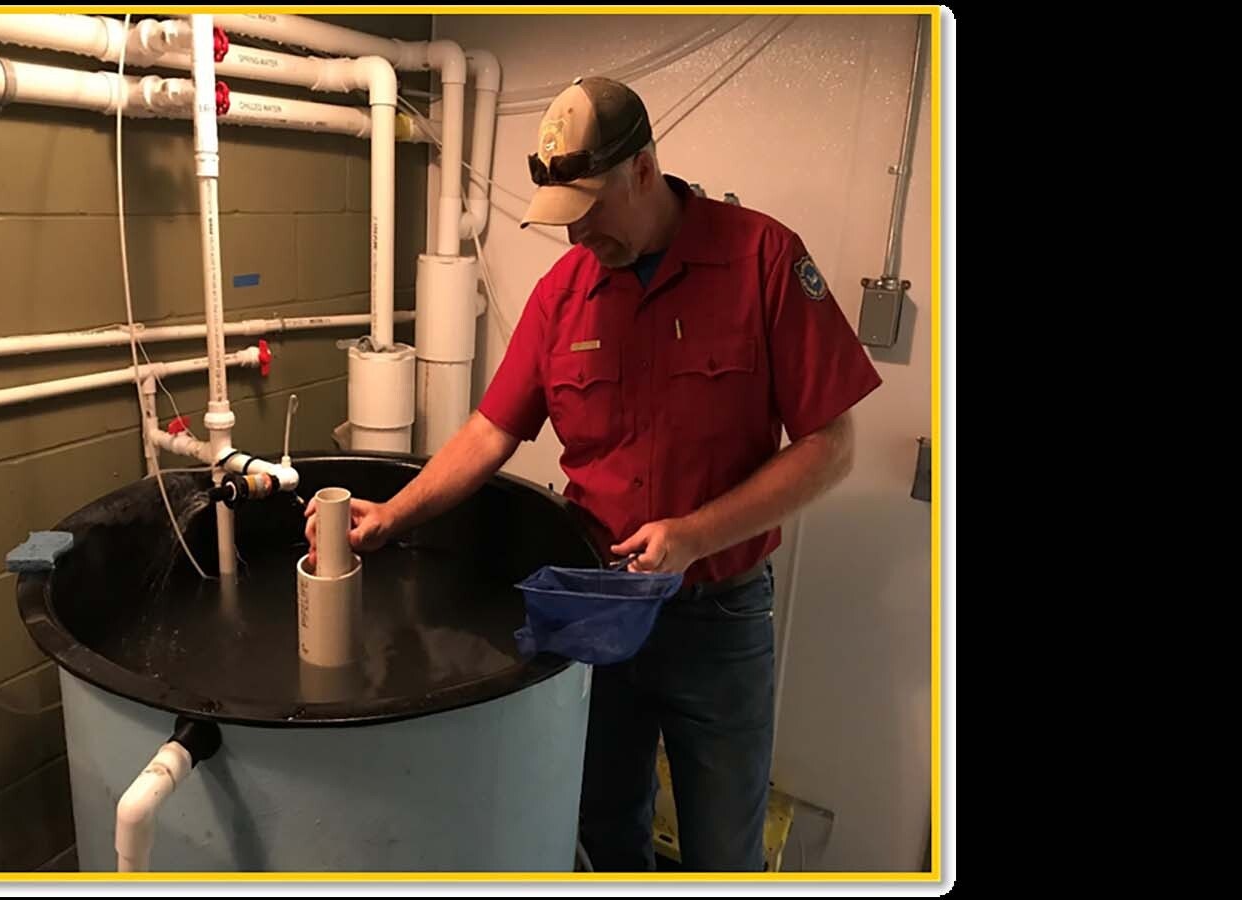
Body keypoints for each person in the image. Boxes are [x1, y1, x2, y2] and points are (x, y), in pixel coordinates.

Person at [305, 76, 882, 871]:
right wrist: (393, 515)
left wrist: (693, 535)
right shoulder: (564, 293)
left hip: (716, 616)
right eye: (563, 220)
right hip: (598, 610)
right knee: (603, 829)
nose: (578, 239)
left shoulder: (762, 259)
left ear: (643, 169)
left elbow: (833, 444)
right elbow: (488, 429)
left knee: (723, 848)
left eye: (592, 211)